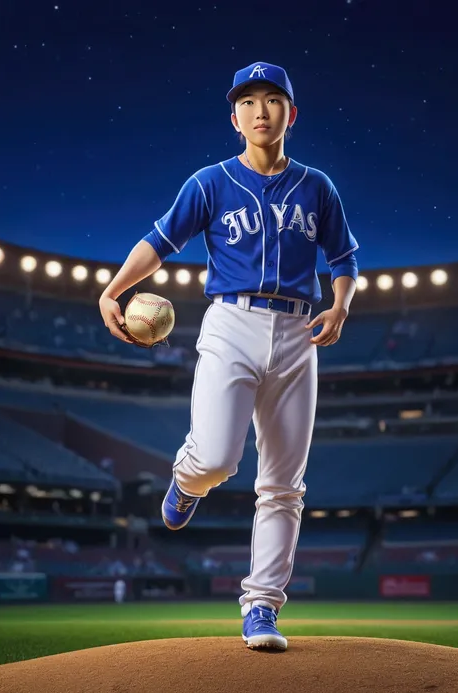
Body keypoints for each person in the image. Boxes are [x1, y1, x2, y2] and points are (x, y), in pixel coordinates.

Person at [99, 61, 359, 651]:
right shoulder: (210, 182)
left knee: (284, 484)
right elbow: (159, 243)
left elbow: (343, 260)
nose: (260, 110)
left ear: (290, 113)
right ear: (234, 117)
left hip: (298, 333)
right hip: (231, 323)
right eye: (247, 101)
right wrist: (113, 289)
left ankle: (262, 608)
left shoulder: (318, 187)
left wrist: (340, 306)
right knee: (217, 458)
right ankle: (188, 479)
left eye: (272, 100)